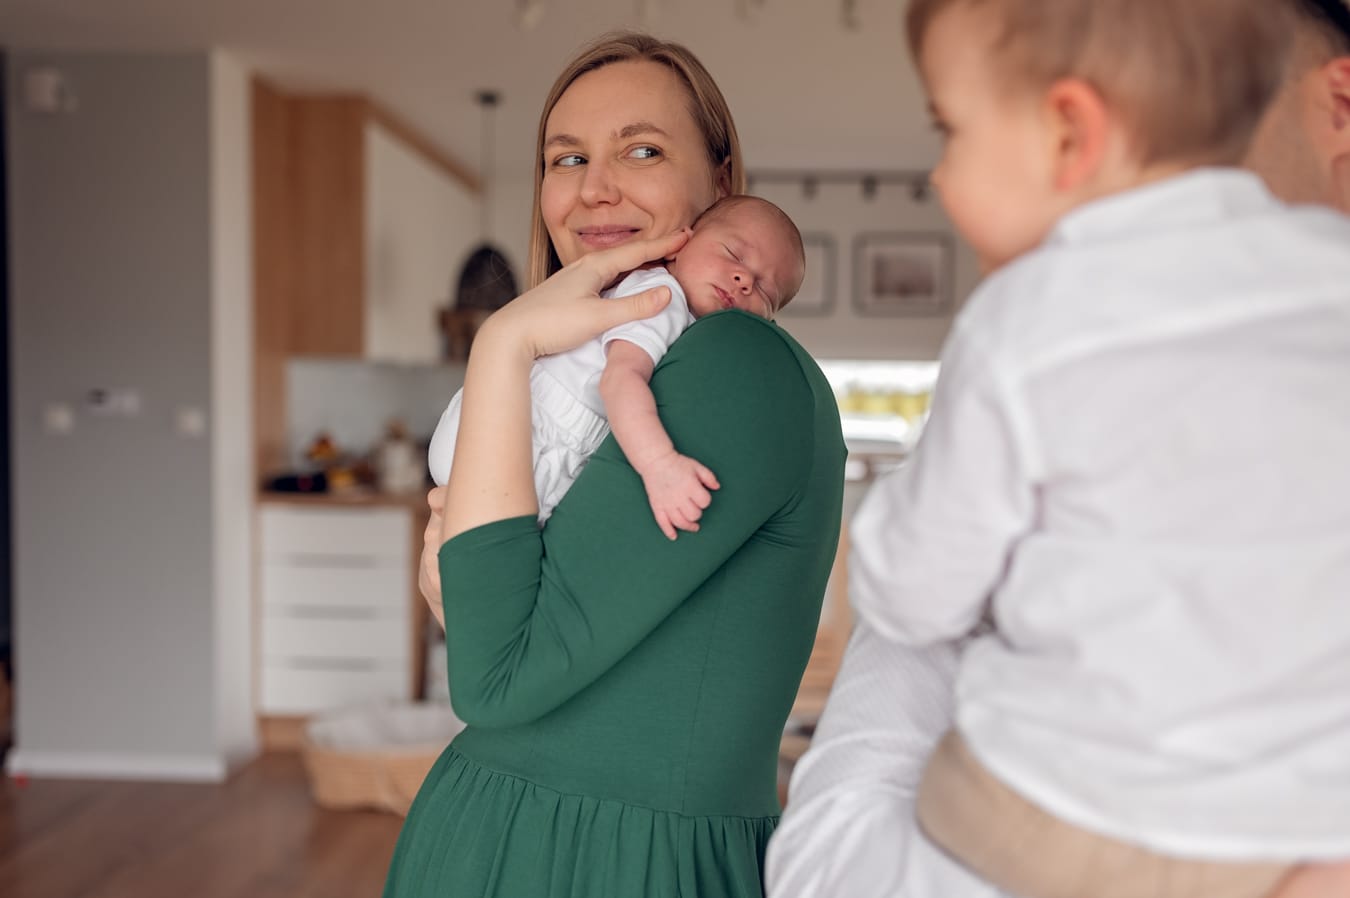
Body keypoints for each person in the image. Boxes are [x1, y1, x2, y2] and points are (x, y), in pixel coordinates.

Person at [767, 1, 1350, 897]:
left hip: (1069, 821)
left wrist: (884, 536)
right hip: (1293, 825)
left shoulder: (1028, 317)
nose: (936, 177)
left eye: (950, 132)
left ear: (1069, 132)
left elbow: (917, 599)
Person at [384, 31, 846, 898]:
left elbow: (490, 672)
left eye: (641, 149)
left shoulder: (734, 366)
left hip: (603, 858)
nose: (594, 187)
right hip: (506, 833)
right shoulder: (606, 379)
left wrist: (503, 339)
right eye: (567, 157)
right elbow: (523, 636)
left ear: (718, 185)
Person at [427, 194, 806, 539]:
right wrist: (660, 465)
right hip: (531, 435)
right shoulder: (663, 298)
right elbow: (620, 381)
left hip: (520, 437)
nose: (743, 280)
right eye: (733, 254)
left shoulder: (695, 332)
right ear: (680, 244)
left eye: (764, 290)